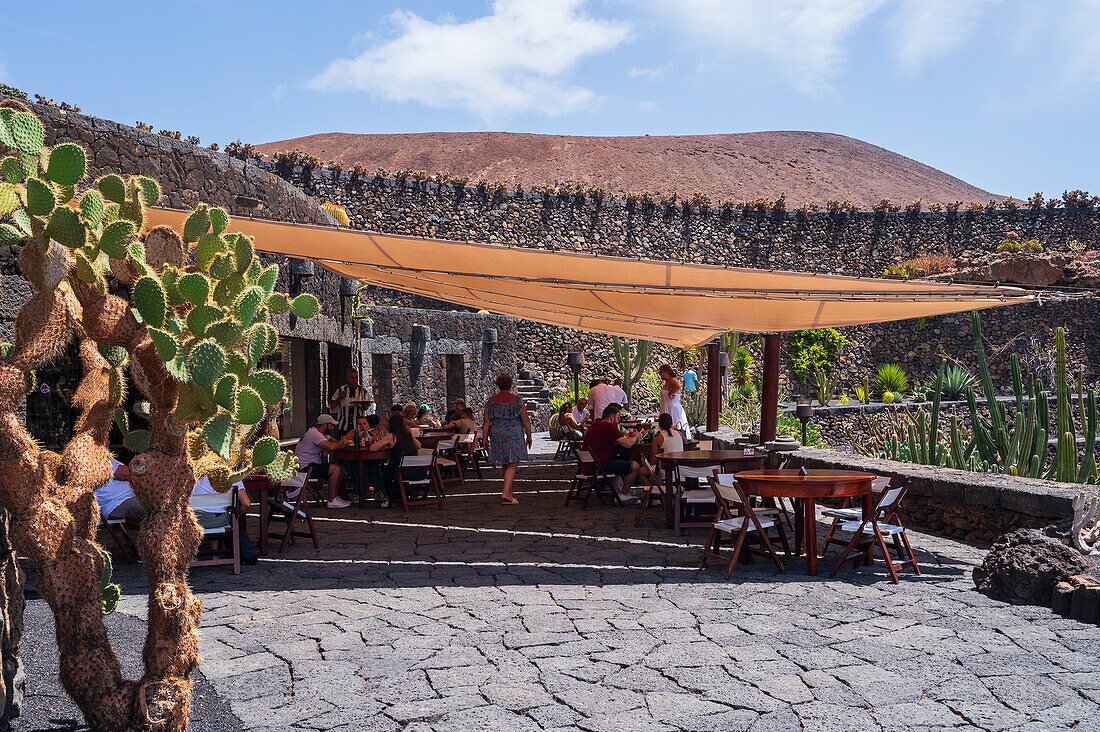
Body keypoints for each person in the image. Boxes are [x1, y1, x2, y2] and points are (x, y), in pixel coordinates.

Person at [581, 404, 655, 503]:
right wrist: (637, 436)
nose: (619, 420)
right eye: (618, 417)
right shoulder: (608, 426)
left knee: (616, 463)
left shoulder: (595, 425)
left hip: (587, 465)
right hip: (599, 466)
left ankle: (619, 492)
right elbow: (628, 444)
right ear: (611, 417)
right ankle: (623, 494)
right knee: (636, 465)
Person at [484, 373, 532, 504]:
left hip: (496, 434)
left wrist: (484, 440)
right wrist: (529, 435)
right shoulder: (517, 400)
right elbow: (526, 420)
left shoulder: (491, 401)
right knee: (513, 462)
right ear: (511, 385)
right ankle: (506, 493)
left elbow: (486, 422)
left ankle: (509, 495)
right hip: (513, 434)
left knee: (505, 462)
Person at [191, 476, 258, 565]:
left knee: (196, 516)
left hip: (195, 521)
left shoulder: (192, 474)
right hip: (219, 521)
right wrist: (238, 514)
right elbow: (246, 503)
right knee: (218, 516)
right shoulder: (232, 476)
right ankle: (215, 553)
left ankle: (192, 554)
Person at [293, 414, 350, 509]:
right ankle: (332, 500)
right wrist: (342, 443)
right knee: (335, 469)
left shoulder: (319, 433)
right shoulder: (315, 434)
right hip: (305, 468)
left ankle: (335, 496)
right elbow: (332, 446)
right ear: (324, 425)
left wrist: (338, 443)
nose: (332, 428)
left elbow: (334, 441)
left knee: (342, 468)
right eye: (331, 425)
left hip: (310, 466)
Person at [385, 413, 422, 509]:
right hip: (419, 472)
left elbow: (373, 448)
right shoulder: (408, 435)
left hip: (402, 473)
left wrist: (385, 446)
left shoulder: (391, 436)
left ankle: (392, 497)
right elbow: (419, 445)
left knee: (387, 470)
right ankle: (405, 495)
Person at [95, 457, 143, 522]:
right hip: (115, 504)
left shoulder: (105, 458)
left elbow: (127, 473)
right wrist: (120, 474)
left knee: (156, 498)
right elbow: (127, 473)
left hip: (132, 496)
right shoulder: (94, 460)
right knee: (151, 506)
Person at [658, 364, 690, 435]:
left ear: (666, 372)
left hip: (672, 408)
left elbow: (678, 386)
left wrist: (670, 393)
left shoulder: (672, 380)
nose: (659, 374)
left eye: (660, 372)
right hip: (666, 407)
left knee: (675, 427)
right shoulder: (667, 382)